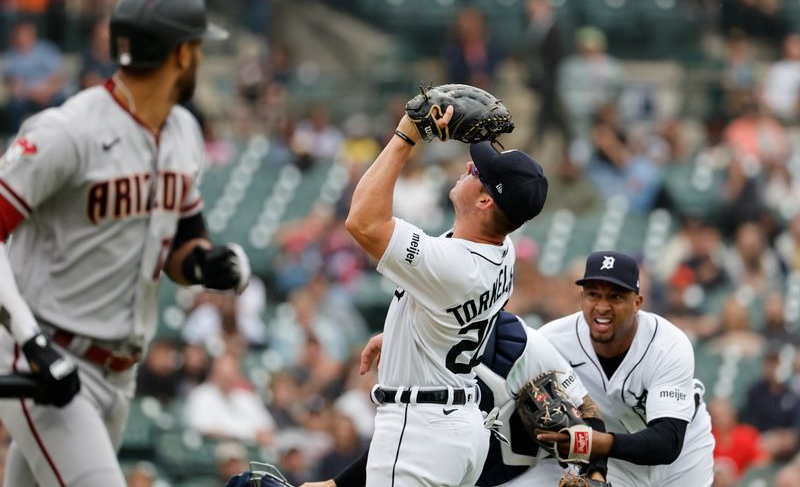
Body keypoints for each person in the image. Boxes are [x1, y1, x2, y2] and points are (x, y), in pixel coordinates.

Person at [0, 0, 251, 487]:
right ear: (182, 54)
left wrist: (206, 264)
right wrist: (31, 342)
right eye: (199, 48)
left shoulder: (182, 130)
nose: (199, 59)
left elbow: (183, 245)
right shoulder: (68, 131)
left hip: (120, 369)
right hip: (49, 361)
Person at [343, 106, 548, 486]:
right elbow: (459, 318)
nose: (466, 168)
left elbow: (363, 221)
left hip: (422, 431)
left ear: (486, 202)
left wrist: (406, 136)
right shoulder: (503, 250)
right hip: (459, 428)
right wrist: (405, 337)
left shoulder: (457, 266)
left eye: (476, 173)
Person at [269, 310, 610, 487]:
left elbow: (588, 413)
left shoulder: (517, 341)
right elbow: (402, 441)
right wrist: (338, 483)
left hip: (533, 474)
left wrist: (595, 474)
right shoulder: (416, 348)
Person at [534, 250, 715, 486]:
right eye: (593, 295)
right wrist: (594, 464)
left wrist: (596, 443)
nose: (602, 306)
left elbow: (667, 443)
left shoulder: (668, 344)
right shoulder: (551, 341)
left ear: (637, 302)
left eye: (615, 297)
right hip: (614, 457)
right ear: (581, 297)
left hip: (682, 450)